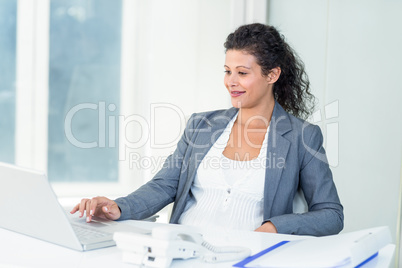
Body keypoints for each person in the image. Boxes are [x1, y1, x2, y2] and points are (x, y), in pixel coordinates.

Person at [71, 23, 343, 236]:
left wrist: (276, 226)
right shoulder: (201, 125)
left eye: (243, 73)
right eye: (227, 71)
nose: (231, 82)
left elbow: (331, 214)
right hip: (182, 250)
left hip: (248, 256)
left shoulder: (301, 136)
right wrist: (119, 207)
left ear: (272, 75)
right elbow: (166, 184)